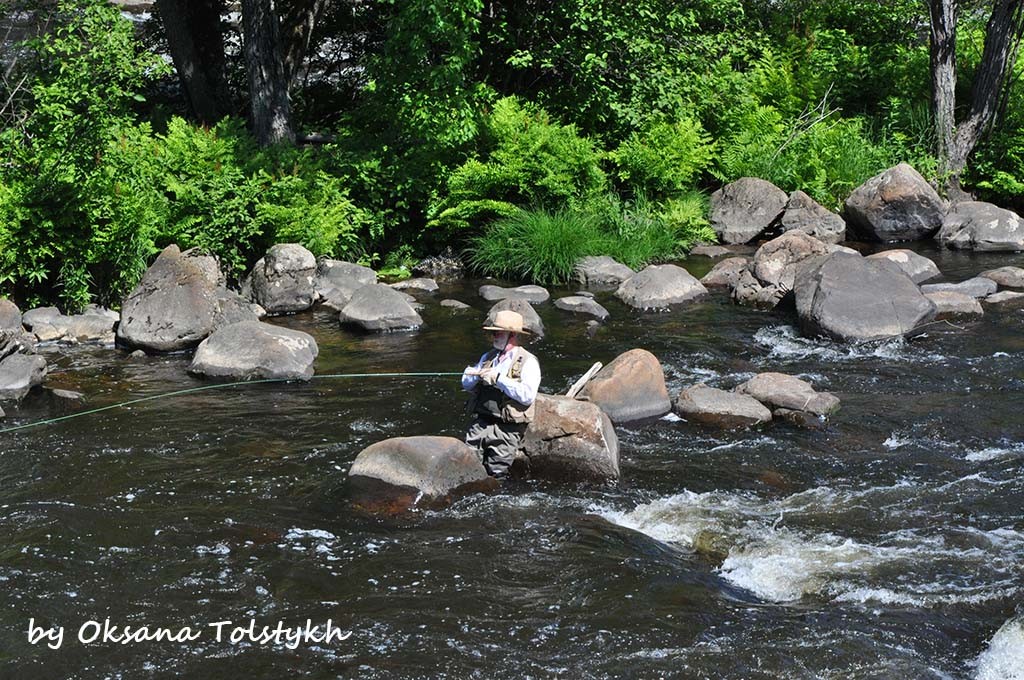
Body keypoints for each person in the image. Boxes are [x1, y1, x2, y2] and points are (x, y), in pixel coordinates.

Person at [461, 310, 541, 479]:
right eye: (493, 333)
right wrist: (472, 374)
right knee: (466, 467)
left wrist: (498, 379)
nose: (494, 336)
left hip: (507, 429)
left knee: (497, 473)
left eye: (498, 333)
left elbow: (527, 395)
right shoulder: (488, 356)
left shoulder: (528, 361)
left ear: (512, 335)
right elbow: (466, 385)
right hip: (480, 423)